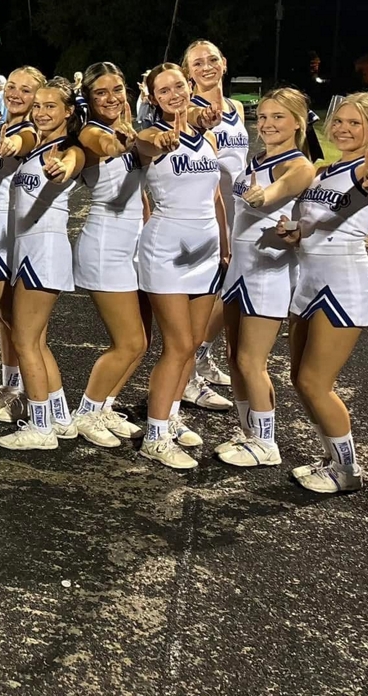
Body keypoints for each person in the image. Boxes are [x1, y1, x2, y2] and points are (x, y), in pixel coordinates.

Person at [280, 92, 368, 493]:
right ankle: (330, 459)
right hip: (308, 280)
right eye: (340, 121)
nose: (344, 129)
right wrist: (292, 232)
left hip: (343, 284)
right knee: (298, 379)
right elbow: (310, 228)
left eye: (355, 124)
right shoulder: (322, 170)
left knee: (316, 382)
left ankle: (348, 471)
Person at [214, 89, 316, 468]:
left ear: (297, 123)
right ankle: (248, 433)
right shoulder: (257, 157)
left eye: (279, 117)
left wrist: (262, 197)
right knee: (233, 357)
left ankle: (266, 443)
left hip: (268, 271)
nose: (269, 124)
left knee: (251, 360)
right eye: (265, 116)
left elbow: (277, 191)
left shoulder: (299, 165)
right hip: (241, 267)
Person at [135, 63, 229, 470]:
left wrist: (225, 246)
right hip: (167, 250)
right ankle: (155, 437)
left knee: (191, 344)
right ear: (153, 98)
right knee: (175, 346)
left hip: (206, 252)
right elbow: (147, 144)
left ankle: (170, 417)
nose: (173, 94)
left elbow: (215, 197)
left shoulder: (205, 135)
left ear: (189, 87)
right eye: (164, 91)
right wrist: (161, 138)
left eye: (179, 86)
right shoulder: (150, 137)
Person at [0, 79, 85, 450]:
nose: (43, 112)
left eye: (52, 107)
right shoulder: (40, 144)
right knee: (37, 341)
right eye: (39, 106)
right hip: (30, 248)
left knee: (24, 340)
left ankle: (40, 427)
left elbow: (70, 164)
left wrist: (60, 170)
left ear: (68, 111)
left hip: (44, 248)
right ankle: (59, 417)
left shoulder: (69, 148)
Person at [70, 61, 150, 448]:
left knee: (140, 342)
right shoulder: (90, 133)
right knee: (130, 343)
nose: (111, 98)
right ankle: (85, 412)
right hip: (104, 246)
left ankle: (104, 406)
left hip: (132, 243)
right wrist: (123, 142)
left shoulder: (128, 129)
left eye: (117, 89)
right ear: (88, 98)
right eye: (100, 92)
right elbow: (107, 146)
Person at [0, 66, 44, 422]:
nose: (16, 93)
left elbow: (26, 141)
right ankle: (10, 386)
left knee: (18, 322)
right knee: (5, 320)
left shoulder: (28, 129)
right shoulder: (5, 125)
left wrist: (16, 143)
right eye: (12, 86)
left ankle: (32, 398)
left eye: (26, 90)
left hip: (7, 234)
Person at [182, 40, 242, 405]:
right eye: (197, 63)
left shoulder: (234, 107)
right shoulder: (190, 110)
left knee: (226, 293)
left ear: (224, 62)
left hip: (238, 213)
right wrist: (193, 118)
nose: (206, 67)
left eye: (212, 60)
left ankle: (200, 359)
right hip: (205, 216)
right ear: (188, 72)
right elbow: (186, 123)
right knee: (201, 297)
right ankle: (187, 375)